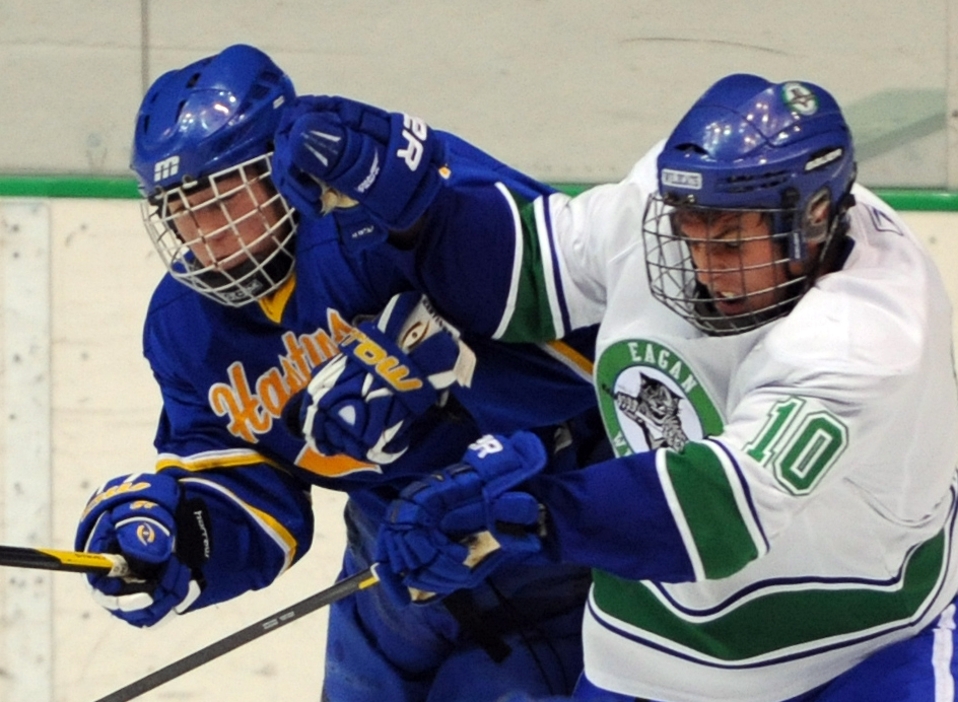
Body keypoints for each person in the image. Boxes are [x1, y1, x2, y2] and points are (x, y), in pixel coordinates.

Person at [268, 74, 958, 701]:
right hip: (658, 652)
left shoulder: (866, 331)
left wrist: (525, 511)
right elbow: (528, 273)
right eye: (691, 233)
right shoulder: (670, 205)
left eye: (731, 243)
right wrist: (417, 208)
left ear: (812, 220)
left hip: (864, 646)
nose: (704, 264)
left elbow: (716, 508)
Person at [74, 43, 610, 702]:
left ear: (278, 172)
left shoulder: (390, 201)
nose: (201, 236)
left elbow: (602, 333)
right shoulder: (183, 326)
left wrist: (457, 365)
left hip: (549, 504)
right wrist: (185, 539)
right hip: (393, 548)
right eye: (179, 210)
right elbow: (246, 477)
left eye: (218, 201)